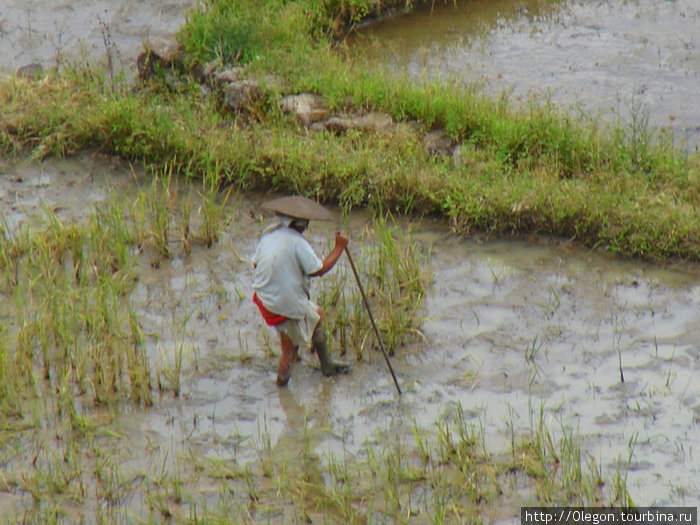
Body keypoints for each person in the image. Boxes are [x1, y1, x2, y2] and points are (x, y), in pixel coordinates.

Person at [251, 196, 350, 386]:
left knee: (317, 314)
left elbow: (256, 264)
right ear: (301, 225)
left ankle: (327, 365)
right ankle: (282, 389)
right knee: (289, 353)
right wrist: (339, 248)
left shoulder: (269, 235)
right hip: (283, 306)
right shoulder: (298, 243)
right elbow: (319, 269)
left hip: (265, 299)